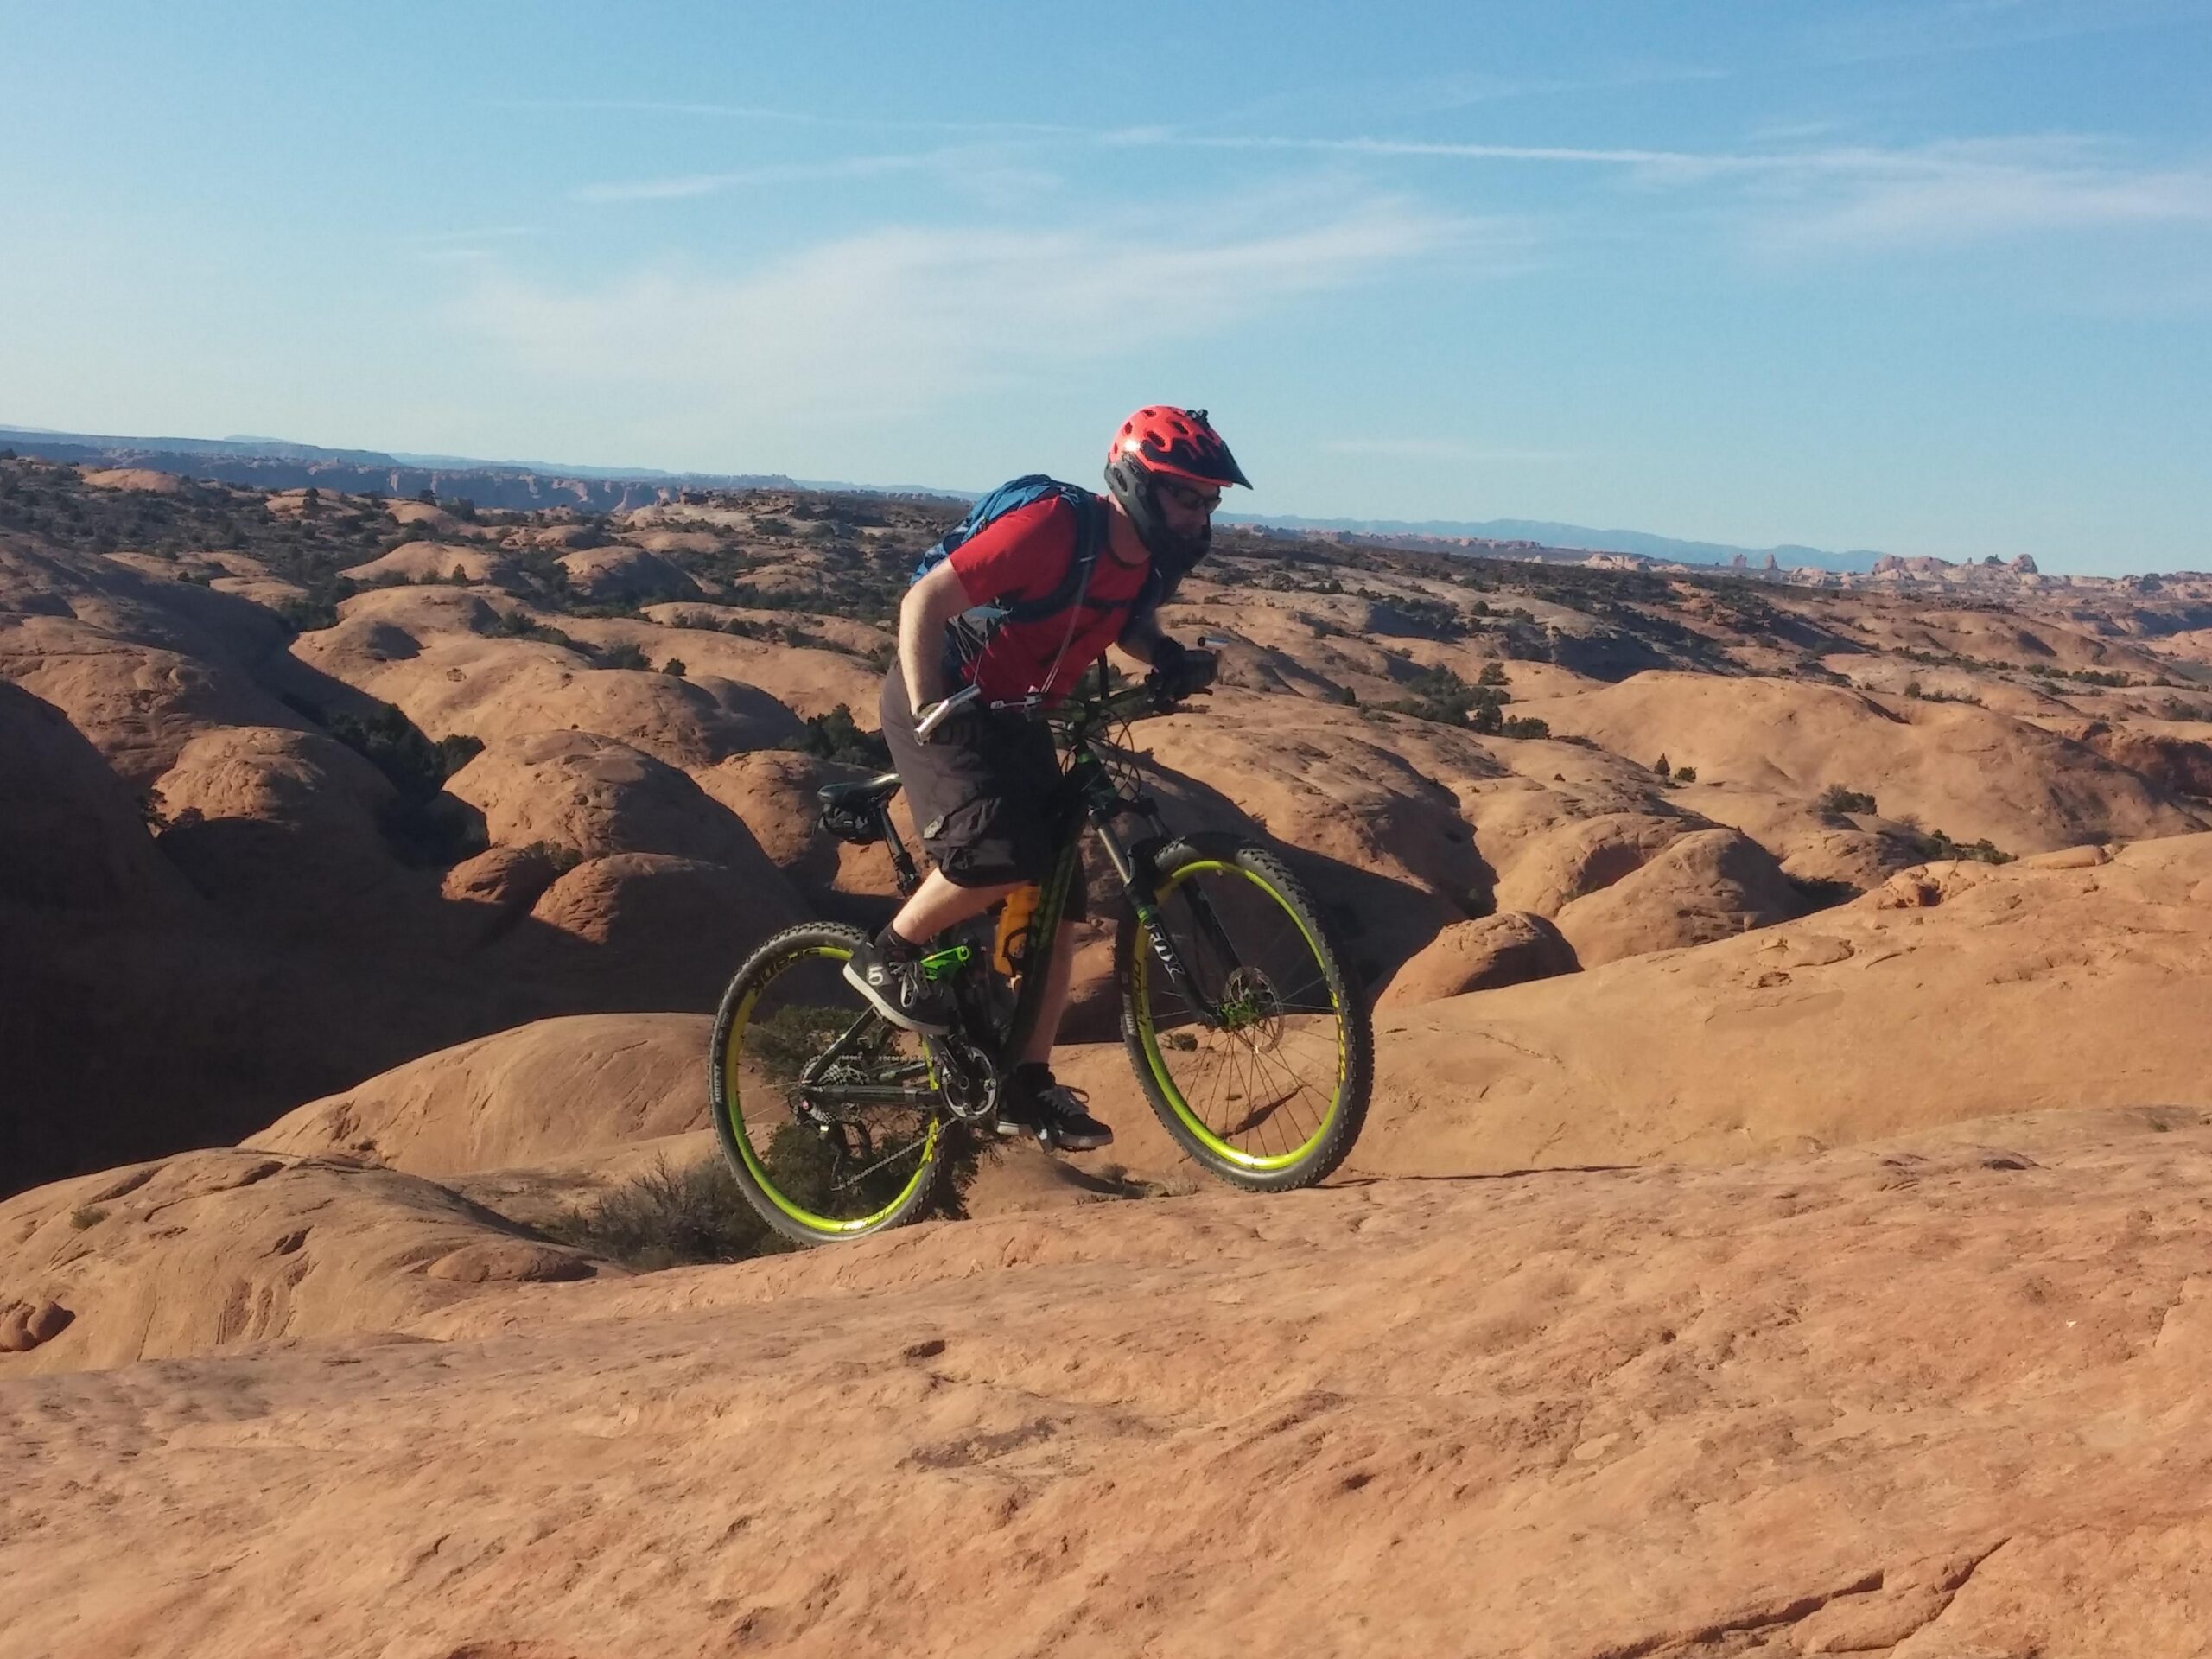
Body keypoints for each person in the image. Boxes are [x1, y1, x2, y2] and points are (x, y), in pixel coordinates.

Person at [843, 406, 1251, 1151]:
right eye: (1186, 496)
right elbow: (925, 600)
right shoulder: (1056, 527)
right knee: (995, 855)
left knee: (1057, 896)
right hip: (946, 696)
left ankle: (1028, 1084)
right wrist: (933, 700)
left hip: (1021, 711)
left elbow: (1124, 620)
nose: (1200, 515)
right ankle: (887, 954)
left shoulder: (1148, 565)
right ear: (1137, 480)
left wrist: (1164, 657)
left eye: (1209, 501)